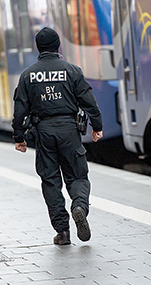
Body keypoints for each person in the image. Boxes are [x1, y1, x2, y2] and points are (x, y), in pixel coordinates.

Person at [12, 27, 103, 245]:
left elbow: (20, 109)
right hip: (69, 130)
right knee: (78, 176)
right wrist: (97, 125)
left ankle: (62, 232)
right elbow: (88, 100)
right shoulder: (72, 70)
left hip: (43, 132)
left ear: (38, 47)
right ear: (58, 46)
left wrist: (19, 137)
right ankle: (79, 206)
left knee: (50, 181)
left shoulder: (28, 75)